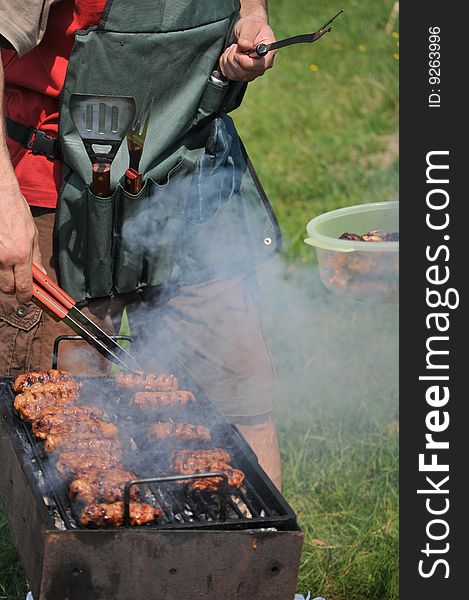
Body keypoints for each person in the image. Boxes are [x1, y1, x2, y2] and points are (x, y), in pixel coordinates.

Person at [0, 0, 281, 488]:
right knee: (69, 417)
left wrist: (250, 18)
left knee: (238, 401)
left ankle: (249, 560)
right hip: (53, 194)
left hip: (195, 176)